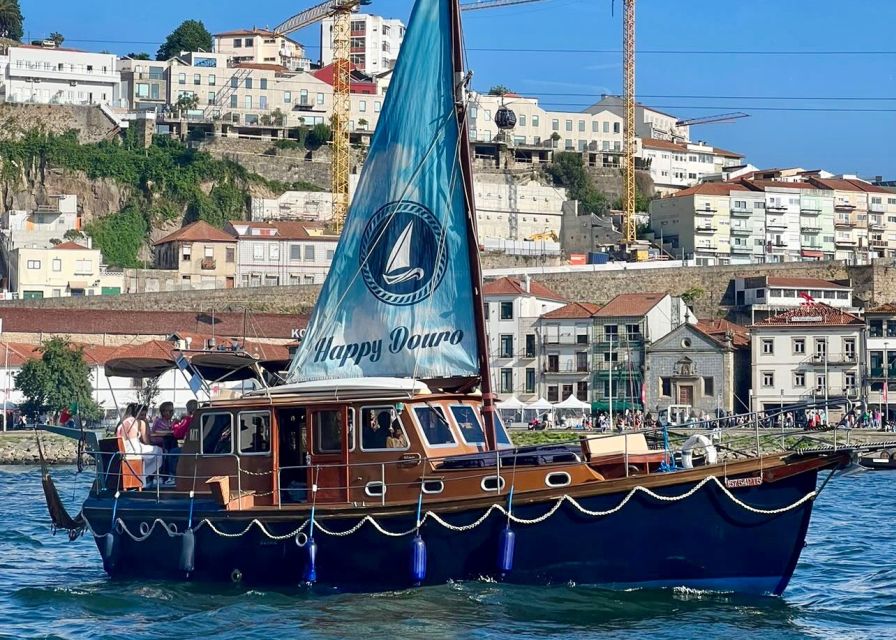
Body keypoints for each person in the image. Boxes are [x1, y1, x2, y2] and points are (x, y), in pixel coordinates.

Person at [120, 404, 162, 488]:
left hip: (124, 451)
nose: (143, 417)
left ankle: (144, 477)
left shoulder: (122, 422)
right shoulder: (140, 422)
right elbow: (146, 441)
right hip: (135, 450)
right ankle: (151, 477)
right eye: (141, 414)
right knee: (159, 451)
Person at [150, 402, 179, 485]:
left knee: (173, 447)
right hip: (159, 443)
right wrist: (172, 429)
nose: (171, 413)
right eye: (169, 411)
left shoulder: (170, 421)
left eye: (172, 411)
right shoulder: (158, 421)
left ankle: (171, 474)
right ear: (163, 412)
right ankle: (163, 475)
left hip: (168, 443)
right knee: (168, 451)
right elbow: (157, 432)